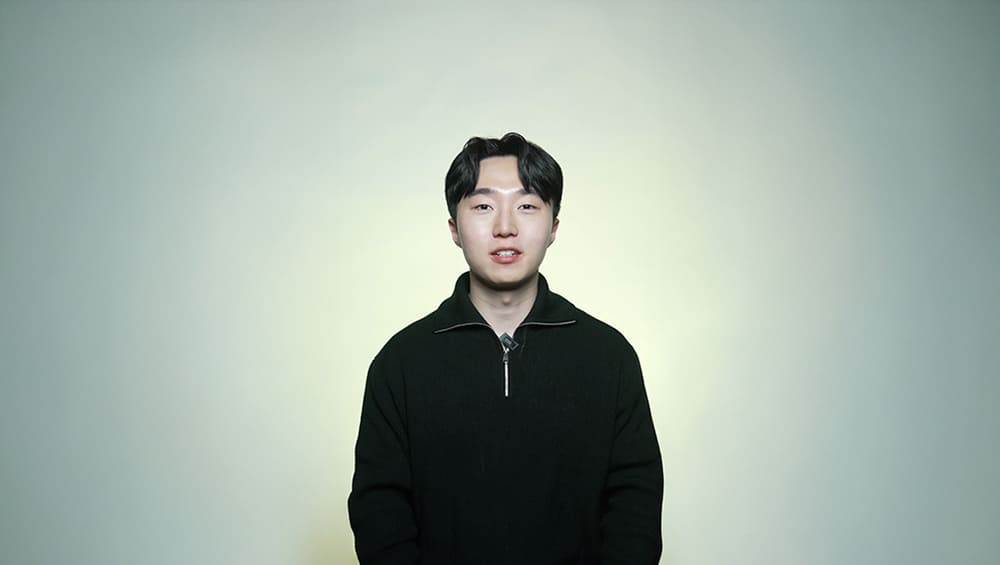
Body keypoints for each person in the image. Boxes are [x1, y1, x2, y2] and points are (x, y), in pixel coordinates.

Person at [348, 133, 663, 565]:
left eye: (527, 206)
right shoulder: (400, 363)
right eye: (483, 206)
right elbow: (379, 512)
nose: (505, 227)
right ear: (454, 228)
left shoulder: (609, 357)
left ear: (553, 228)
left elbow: (635, 507)